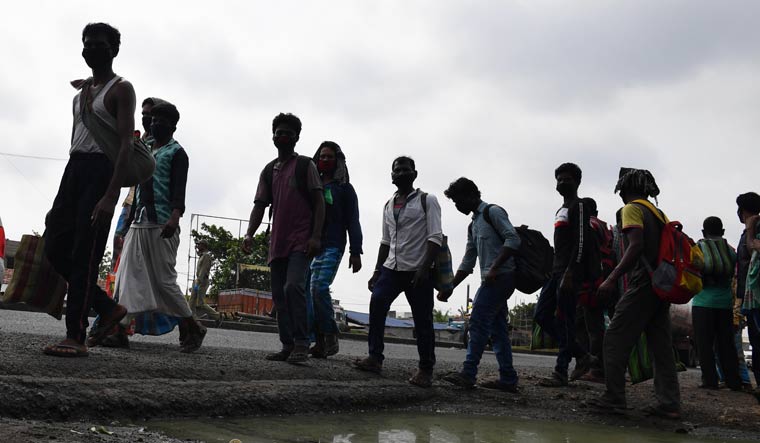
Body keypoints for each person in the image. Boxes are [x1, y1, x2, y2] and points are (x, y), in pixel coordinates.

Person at [42, 23, 133, 357]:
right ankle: (106, 307)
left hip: (100, 171)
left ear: (114, 49)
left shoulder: (122, 89)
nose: (91, 49)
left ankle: (75, 336)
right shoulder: (80, 94)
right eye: (87, 44)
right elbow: (75, 140)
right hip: (74, 170)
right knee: (54, 244)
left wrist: (110, 194)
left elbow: (125, 144)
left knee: (86, 253)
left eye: (99, 44)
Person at [108, 102, 206, 352]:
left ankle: (191, 325)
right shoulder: (146, 148)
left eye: (162, 120)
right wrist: (127, 224)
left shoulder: (177, 153)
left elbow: (179, 190)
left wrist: (174, 218)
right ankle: (121, 329)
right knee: (127, 276)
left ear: (173, 126)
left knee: (163, 281)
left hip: (163, 222)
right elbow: (137, 187)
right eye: (154, 120)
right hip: (139, 221)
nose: (156, 123)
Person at [591, 168, 680, 419]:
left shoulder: (631, 209)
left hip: (644, 283)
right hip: (661, 285)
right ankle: (669, 403)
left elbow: (636, 245)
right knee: (661, 347)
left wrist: (611, 278)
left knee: (614, 338)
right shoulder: (658, 212)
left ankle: (614, 397)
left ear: (624, 189)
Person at [353, 156, 443, 388]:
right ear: (391, 176)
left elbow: (435, 237)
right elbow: (385, 241)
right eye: (396, 170)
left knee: (423, 321)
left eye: (405, 170)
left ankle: (426, 369)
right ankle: (375, 358)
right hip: (391, 269)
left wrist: (424, 268)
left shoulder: (427, 200)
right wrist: (376, 271)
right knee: (377, 305)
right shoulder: (388, 205)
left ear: (414, 173)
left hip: (418, 271)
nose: (400, 173)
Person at [242, 113, 325, 363]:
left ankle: (302, 343)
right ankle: (287, 345)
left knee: (294, 287)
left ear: (297, 137)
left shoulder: (305, 166)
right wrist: (249, 233)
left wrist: (316, 237)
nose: (283, 136)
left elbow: (319, 202)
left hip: (301, 241)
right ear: (273, 136)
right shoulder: (269, 170)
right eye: (279, 132)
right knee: (278, 295)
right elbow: (259, 205)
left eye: (288, 132)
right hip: (277, 243)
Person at [438, 178, 521, 392]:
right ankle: (508, 378)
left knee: (477, 321)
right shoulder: (473, 224)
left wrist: (494, 267)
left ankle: (468, 373)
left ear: (472, 195)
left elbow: (513, 239)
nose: (457, 206)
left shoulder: (493, 212)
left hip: (502, 277)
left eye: (458, 201)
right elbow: (468, 261)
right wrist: (450, 286)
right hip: (491, 279)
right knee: (498, 329)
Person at [534, 163, 597, 386]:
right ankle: (581, 354)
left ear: (577, 182)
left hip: (569, 273)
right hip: (556, 272)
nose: (562, 183)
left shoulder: (579, 206)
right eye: (559, 179)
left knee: (566, 319)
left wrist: (572, 272)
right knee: (541, 315)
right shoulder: (560, 209)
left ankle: (560, 372)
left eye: (567, 179)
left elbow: (581, 242)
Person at [306, 141, 363, 358]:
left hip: (333, 245)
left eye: (330, 157)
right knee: (308, 293)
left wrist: (355, 251)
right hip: (311, 245)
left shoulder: (345, 190)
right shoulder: (313, 186)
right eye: (322, 156)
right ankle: (318, 341)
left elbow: (353, 221)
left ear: (338, 161)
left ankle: (330, 333)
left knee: (319, 287)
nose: (326, 160)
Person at [692, 216, 741, 390]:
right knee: (726, 344)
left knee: (704, 344)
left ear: (704, 232)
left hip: (702, 303)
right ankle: (733, 381)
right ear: (723, 232)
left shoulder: (699, 248)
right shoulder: (730, 251)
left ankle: (710, 381)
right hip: (724, 304)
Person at [574, 197, 612, 382]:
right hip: (603, 278)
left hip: (591, 282)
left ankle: (597, 369)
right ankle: (591, 364)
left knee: (592, 327)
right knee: (587, 324)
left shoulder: (589, 226)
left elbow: (585, 254)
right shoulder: (604, 226)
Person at [736, 192, 760, 393]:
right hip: (751, 297)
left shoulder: (755, 228)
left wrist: (751, 230)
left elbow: (754, 247)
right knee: (755, 340)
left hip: (757, 296)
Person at [189, 239, 222, 323]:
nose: (197, 246)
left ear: (204, 246)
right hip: (197, 280)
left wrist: (198, 282)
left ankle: (217, 316)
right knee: (191, 301)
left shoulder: (206, 256)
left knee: (200, 303)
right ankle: (192, 318)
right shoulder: (202, 256)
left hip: (202, 281)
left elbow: (203, 270)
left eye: (199, 244)